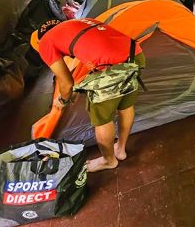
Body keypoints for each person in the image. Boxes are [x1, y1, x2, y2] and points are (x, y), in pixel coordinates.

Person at [31, 18, 145, 173]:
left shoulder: (45, 42)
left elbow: (66, 83)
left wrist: (63, 100)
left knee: (102, 119)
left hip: (111, 69)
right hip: (135, 54)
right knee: (125, 105)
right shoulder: (80, 22)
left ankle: (109, 160)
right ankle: (120, 149)